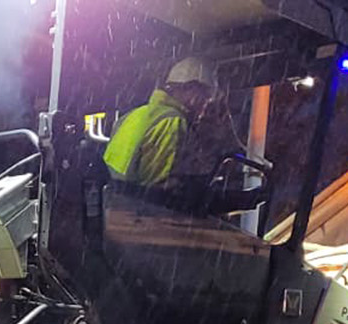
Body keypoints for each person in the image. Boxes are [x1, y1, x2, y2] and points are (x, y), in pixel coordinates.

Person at [102, 57, 256, 210]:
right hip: (138, 217)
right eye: (204, 97)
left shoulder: (136, 114)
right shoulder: (172, 121)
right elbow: (158, 192)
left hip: (115, 210)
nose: (204, 105)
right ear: (191, 89)